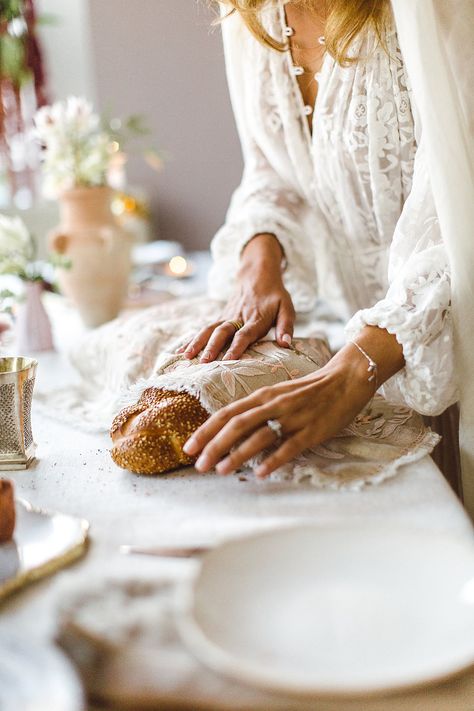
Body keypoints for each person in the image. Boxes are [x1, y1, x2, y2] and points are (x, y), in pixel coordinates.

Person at [182, 0, 458, 480]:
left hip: (450, 351)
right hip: (345, 337)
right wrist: (258, 256)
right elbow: (274, 166)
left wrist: (353, 372)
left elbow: (461, 217)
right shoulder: (249, 14)